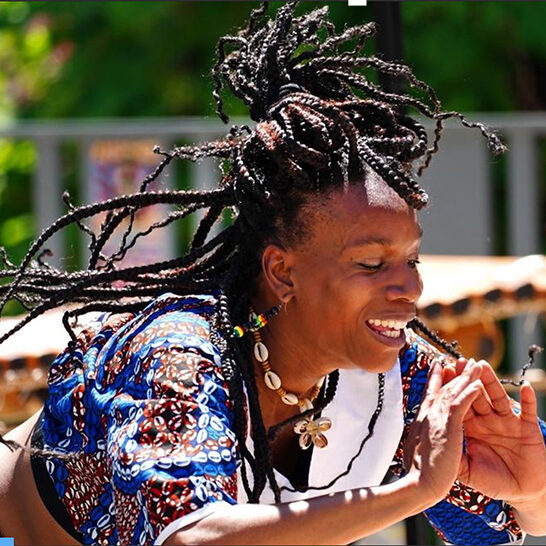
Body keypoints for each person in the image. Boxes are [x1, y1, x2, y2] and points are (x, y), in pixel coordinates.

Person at [0, 2, 545, 545]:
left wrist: (531, 493)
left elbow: (496, 526)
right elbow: (191, 540)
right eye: (371, 264)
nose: (408, 288)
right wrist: (416, 489)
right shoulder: (180, 355)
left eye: (411, 260)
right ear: (282, 271)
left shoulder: (397, 378)